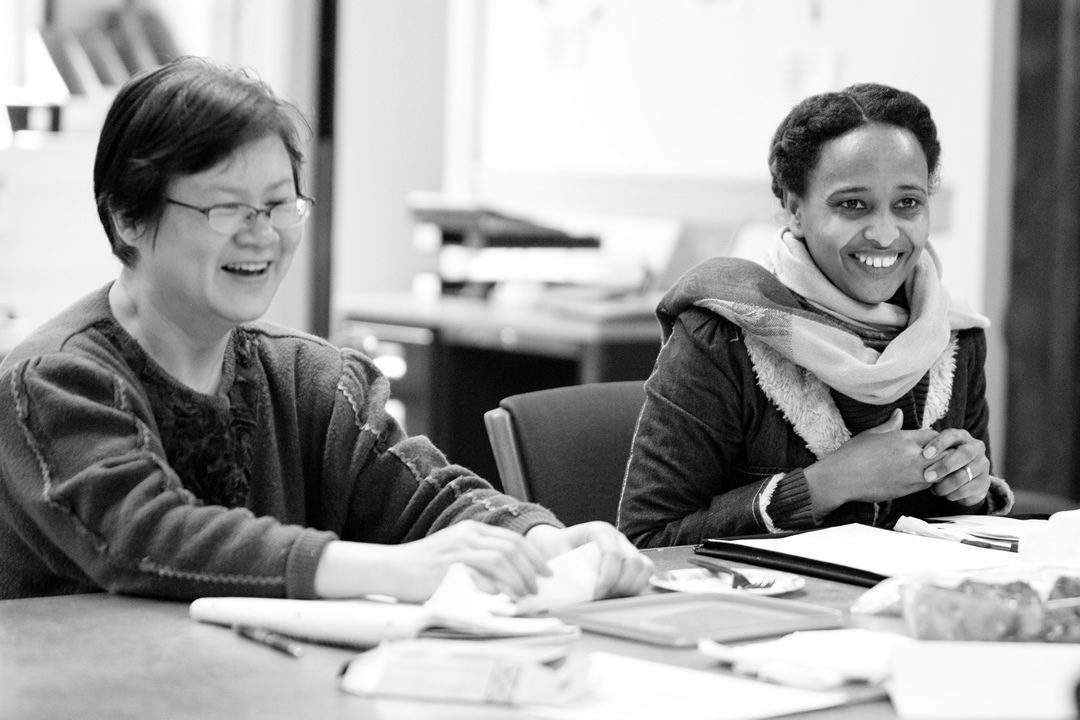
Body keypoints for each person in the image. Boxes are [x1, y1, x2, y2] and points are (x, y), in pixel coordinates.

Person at [0, 56, 653, 602]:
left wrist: (539, 542)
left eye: (279, 204)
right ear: (127, 217)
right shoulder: (53, 381)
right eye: (227, 207)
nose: (261, 234)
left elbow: (428, 497)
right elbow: (148, 538)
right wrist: (391, 570)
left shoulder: (311, 378)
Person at [618, 82, 1014, 548]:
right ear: (795, 209)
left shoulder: (953, 335)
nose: (885, 234)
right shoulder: (722, 334)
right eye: (852, 205)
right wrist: (830, 483)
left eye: (908, 203)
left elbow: (948, 537)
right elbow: (648, 540)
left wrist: (968, 488)